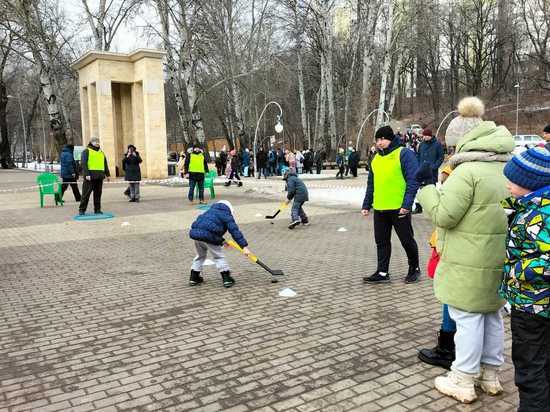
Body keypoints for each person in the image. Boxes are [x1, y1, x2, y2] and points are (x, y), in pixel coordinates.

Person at [416, 96, 514, 404]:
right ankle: (490, 374)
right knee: (492, 315)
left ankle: (463, 376)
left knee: (468, 317)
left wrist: (428, 190)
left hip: (468, 259)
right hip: (496, 256)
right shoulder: (507, 167)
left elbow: (445, 214)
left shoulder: (467, 171)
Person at [499, 147, 550, 412]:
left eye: (512, 180)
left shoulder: (539, 215)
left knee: (530, 368)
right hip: (537, 304)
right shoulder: (537, 205)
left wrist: (516, 270)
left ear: (529, 183)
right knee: (542, 363)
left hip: (531, 304)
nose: (506, 183)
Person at [361, 125, 420, 284]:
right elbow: (371, 183)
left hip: (399, 207)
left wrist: (407, 204)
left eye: (383, 139)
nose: (379, 142)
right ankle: (382, 272)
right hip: (380, 208)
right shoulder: (376, 159)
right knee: (381, 242)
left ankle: (414, 268)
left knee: (406, 240)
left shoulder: (404, 153)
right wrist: (366, 204)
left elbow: (413, 180)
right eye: (377, 139)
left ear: (391, 139)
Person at [418, 165, 457, 370]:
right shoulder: (497, 169)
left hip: (456, 249)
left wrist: (427, 188)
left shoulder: (462, 173)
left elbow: (442, 214)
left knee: (450, 295)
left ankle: (447, 348)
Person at [189, 200, 252, 288]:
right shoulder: (226, 215)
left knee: (200, 256)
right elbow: (234, 231)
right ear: (229, 209)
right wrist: (244, 247)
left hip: (196, 235)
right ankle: (226, 278)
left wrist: (222, 241)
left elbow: (207, 228)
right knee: (218, 257)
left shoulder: (209, 211)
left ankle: (194, 277)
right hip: (209, 238)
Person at [414, 128, 444, 214]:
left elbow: (441, 157)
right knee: (419, 189)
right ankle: (418, 207)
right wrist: (418, 165)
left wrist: (434, 166)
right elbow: (418, 155)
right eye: (424, 136)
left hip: (431, 172)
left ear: (430, 136)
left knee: (431, 190)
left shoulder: (437, 144)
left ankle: (431, 209)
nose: (425, 137)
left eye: (426, 136)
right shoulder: (421, 144)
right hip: (421, 170)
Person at [79, 137, 110, 215]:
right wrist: (86, 174)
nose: (97, 143)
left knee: (98, 194)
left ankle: (97, 209)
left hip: (99, 176)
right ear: (91, 142)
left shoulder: (101, 152)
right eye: (95, 141)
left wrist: (108, 174)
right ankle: (82, 210)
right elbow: (84, 163)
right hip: (90, 177)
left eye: (98, 141)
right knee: (86, 194)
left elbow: (105, 164)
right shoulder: (86, 151)